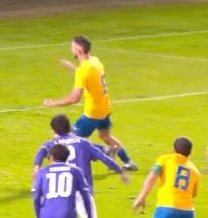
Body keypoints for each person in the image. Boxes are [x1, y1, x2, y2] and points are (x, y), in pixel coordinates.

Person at [34, 114, 129, 218]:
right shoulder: (84, 143)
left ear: (54, 131)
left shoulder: (52, 144)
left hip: (61, 194)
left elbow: (42, 150)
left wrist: (36, 166)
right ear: (70, 127)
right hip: (82, 193)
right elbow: (104, 158)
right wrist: (121, 170)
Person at [44, 36, 138, 171]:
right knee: (105, 135)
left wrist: (53, 103)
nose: (71, 50)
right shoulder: (95, 61)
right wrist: (73, 68)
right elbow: (89, 75)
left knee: (69, 138)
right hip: (105, 108)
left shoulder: (83, 71)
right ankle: (129, 162)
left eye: (73, 48)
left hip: (92, 113)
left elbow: (74, 98)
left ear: (79, 50)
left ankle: (105, 151)